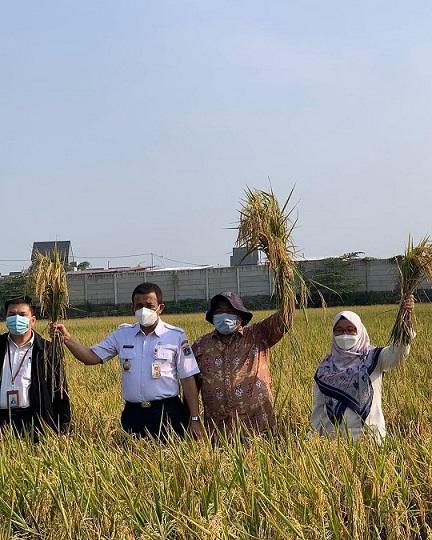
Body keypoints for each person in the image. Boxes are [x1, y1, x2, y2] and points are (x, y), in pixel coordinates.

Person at [52, 283, 203, 440]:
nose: (144, 310)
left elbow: (188, 379)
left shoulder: (175, 336)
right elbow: (91, 357)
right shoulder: (123, 335)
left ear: (160, 308)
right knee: (132, 459)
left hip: (167, 413)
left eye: (149, 306)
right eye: (139, 305)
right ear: (133, 308)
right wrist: (67, 339)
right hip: (133, 413)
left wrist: (194, 418)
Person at [310, 295, 415, 442]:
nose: (344, 335)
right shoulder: (326, 367)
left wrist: (405, 321)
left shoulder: (374, 357)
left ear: (359, 332)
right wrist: (314, 437)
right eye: (339, 330)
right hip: (334, 442)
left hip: (370, 437)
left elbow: (398, 353)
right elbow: (318, 407)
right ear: (333, 334)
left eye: (350, 329)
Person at [192, 291, 290, 435]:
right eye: (219, 311)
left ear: (240, 315)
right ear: (212, 317)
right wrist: (193, 419)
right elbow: (191, 385)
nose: (224, 315)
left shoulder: (258, 335)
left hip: (258, 425)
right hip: (218, 428)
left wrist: (286, 286)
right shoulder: (200, 345)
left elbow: (286, 316)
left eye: (230, 311)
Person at [0, 296, 71, 438]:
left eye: (22, 315)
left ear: (32, 320)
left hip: (35, 421)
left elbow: (60, 392)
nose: (16, 319)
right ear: (6, 319)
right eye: (12, 315)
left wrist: (64, 428)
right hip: (2, 421)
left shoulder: (46, 350)